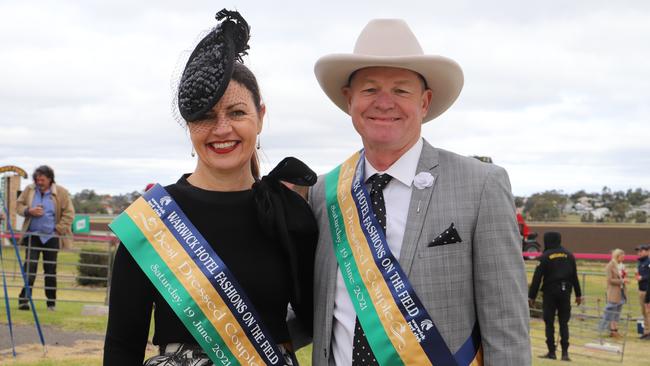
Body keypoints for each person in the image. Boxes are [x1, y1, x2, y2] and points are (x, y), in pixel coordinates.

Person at [309, 19, 531, 366]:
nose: (384, 103)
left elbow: (507, 327)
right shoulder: (323, 193)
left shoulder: (481, 185)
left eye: (401, 90)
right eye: (369, 90)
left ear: (425, 102)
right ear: (349, 100)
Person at [103, 10, 317, 365]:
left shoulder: (290, 213)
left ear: (260, 116)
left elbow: (317, 316)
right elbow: (122, 345)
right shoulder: (151, 220)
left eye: (236, 113)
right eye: (205, 116)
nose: (221, 129)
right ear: (188, 124)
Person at [16, 165, 74, 311]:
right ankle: (24, 300)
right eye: (37, 179)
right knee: (29, 268)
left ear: (49, 179)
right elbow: (18, 205)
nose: (39, 182)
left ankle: (51, 303)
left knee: (50, 271)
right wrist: (29, 210)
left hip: (51, 238)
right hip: (33, 236)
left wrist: (58, 229)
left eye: (42, 179)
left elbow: (69, 214)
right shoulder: (29, 190)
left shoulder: (61, 192)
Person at [528, 231, 583, 361]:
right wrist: (578, 294)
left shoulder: (545, 256)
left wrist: (532, 296)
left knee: (549, 322)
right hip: (565, 292)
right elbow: (574, 276)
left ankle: (551, 352)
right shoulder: (569, 256)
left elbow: (537, 278)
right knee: (564, 322)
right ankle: (565, 353)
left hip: (550, 293)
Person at [598, 248, 628, 338]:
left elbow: (622, 276)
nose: (624, 258)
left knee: (618, 312)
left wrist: (624, 278)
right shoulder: (610, 266)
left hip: (621, 291)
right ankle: (608, 329)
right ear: (617, 256)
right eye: (622, 257)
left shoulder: (622, 266)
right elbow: (610, 280)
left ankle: (615, 330)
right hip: (613, 292)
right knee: (611, 311)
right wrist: (622, 281)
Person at [635, 244, 650, 339]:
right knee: (644, 312)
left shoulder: (648, 262)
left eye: (641, 251)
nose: (639, 253)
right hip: (641, 290)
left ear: (647, 251)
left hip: (648, 290)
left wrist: (642, 277)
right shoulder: (640, 262)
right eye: (638, 251)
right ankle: (646, 331)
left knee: (648, 312)